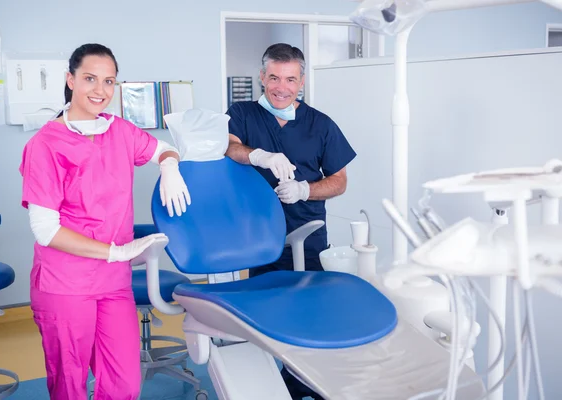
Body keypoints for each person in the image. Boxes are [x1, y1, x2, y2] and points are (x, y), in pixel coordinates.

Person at [19, 43, 191, 400]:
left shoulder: (120, 131)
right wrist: (115, 252)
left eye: (109, 81)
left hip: (113, 283)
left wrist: (170, 165)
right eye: (90, 79)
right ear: (70, 80)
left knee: (124, 382)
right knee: (70, 383)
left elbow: (161, 148)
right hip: (65, 284)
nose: (100, 91)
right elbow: (45, 230)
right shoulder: (45, 144)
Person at [224, 43, 357, 400]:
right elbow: (228, 145)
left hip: (308, 235)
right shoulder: (243, 113)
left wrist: (304, 190)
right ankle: (264, 384)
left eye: (290, 79)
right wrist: (259, 154)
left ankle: (300, 387)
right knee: (264, 317)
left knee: (309, 318)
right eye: (274, 78)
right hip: (257, 237)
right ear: (262, 78)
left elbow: (339, 181)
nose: (281, 87)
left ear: (301, 82)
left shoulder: (321, 125)